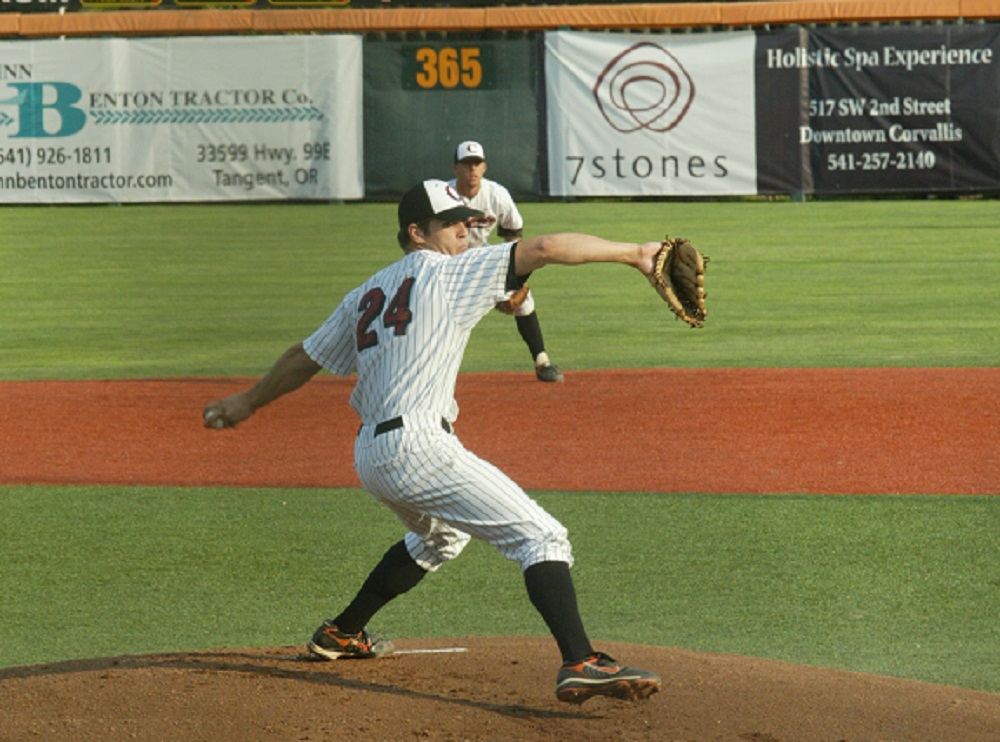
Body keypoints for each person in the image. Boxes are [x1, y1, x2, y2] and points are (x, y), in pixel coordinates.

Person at [202, 179, 662, 705]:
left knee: (441, 538)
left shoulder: (366, 294)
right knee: (542, 536)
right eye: (454, 224)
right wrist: (635, 253)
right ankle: (580, 660)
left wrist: (247, 401)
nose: (467, 230)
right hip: (419, 446)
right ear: (417, 233)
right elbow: (544, 248)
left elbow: (303, 358)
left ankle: (343, 632)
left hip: (371, 456)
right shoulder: (448, 271)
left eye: (469, 221)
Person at [448, 140, 564, 383]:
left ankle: (542, 362)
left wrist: (516, 280)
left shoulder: (497, 195)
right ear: (455, 168)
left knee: (523, 300)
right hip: (448, 262)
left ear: (484, 167)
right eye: (466, 164)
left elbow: (513, 238)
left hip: (482, 256)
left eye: (476, 164)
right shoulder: (443, 196)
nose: (472, 170)